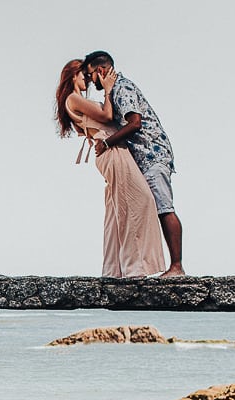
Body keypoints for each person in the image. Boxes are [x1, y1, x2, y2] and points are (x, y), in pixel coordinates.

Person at [55, 59, 165, 278]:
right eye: (83, 75)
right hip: (111, 150)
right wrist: (107, 91)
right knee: (138, 201)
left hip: (111, 149)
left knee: (116, 210)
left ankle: (114, 270)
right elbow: (106, 116)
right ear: (73, 76)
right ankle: (135, 269)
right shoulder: (73, 98)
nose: (87, 79)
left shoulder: (75, 100)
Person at [84, 51, 185, 276]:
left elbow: (135, 123)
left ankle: (177, 266)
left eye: (91, 75)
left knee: (163, 208)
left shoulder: (122, 88)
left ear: (100, 71)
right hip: (143, 159)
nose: (91, 80)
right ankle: (148, 265)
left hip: (152, 155)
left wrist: (107, 143)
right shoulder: (114, 90)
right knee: (150, 207)